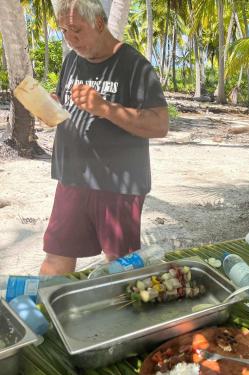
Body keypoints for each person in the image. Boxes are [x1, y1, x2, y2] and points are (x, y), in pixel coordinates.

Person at [40, 0, 169, 275]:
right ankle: (46, 315)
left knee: (121, 267)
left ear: (99, 23)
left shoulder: (135, 65)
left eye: (76, 30)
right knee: (56, 259)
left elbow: (160, 125)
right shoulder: (71, 60)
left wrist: (105, 108)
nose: (71, 39)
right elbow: (68, 105)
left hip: (118, 187)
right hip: (71, 178)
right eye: (63, 31)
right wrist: (52, 108)